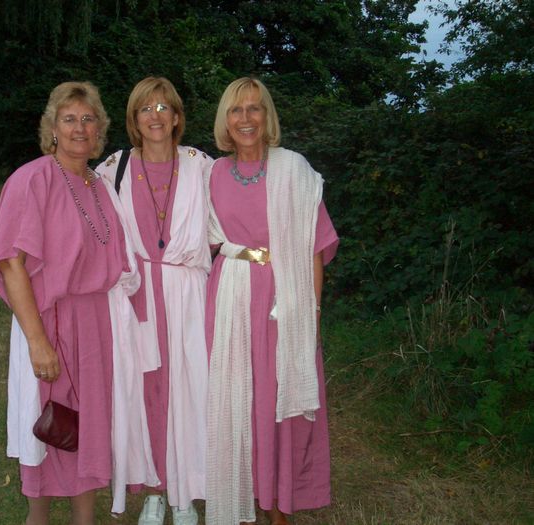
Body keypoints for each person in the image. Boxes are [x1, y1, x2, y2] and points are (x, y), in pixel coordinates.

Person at [0, 81, 140, 525]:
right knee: (46, 422)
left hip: (96, 324)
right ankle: (37, 518)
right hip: (48, 319)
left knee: (87, 425)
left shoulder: (100, 185)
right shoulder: (31, 179)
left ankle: (84, 519)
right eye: (69, 119)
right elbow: (11, 264)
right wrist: (38, 342)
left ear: (99, 130)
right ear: (52, 128)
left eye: (88, 119)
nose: (79, 128)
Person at [204, 77, 339, 525]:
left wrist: (310, 313)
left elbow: (315, 247)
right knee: (237, 400)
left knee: (279, 399)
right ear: (225, 120)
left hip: (285, 300)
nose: (245, 118)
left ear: (267, 116)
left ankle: (279, 504)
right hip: (231, 299)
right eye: (236, 110)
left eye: (254, 108)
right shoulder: (212, 174)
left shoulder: (294, 170)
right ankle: (242, 499)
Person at [97, 77, 212, 525]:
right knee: (144, 391)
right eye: (146, 108)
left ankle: (185, 492)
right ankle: (153, 490)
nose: (155, 116)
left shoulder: (201, 166)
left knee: (189, 390)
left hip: (187, 295)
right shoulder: (114, 169)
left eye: (164, 107)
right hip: (136, 294)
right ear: (134, 118)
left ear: (177, 117)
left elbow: (227, 220)